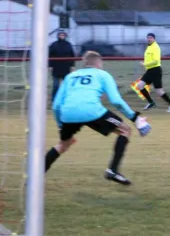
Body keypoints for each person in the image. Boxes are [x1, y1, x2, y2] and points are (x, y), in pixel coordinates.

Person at [46, 51, 151, 185]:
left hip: (68, 114)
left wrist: (61, 126)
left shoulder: (70, 76)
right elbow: (116, 101)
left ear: (85, 63)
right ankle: (113, 170)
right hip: (93, 111)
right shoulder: (103, 74)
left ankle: (35, 175)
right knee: (125, 130)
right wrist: (135, 118)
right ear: (98, 62)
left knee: (63, 144)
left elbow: (56, 106)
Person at [136, 33, 170, 112]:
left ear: (154, 39)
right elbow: (149, 59)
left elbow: (156, 61)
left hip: (156, 70)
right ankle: (151, 103)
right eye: (148, 37)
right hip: (150, 70)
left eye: (150, 37)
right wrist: (145, 64)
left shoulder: (156, 47)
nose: (149, 39)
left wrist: (144, 64)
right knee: (140, 85)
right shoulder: (149, 47)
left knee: (159, 91)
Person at [48, 30, 76, 100]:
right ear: (58, 36)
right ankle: (54, 99)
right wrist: (50, 66)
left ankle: (66, 99)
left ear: (65, 36)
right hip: (56, 68)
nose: (61, 36)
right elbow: (50, 56)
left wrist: (72, 65)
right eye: (60, 35)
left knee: (66, 85)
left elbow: (72, 55)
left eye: (63, 35)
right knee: (56, 86)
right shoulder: (53, 45)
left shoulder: (68, 44)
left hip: (66, 68)